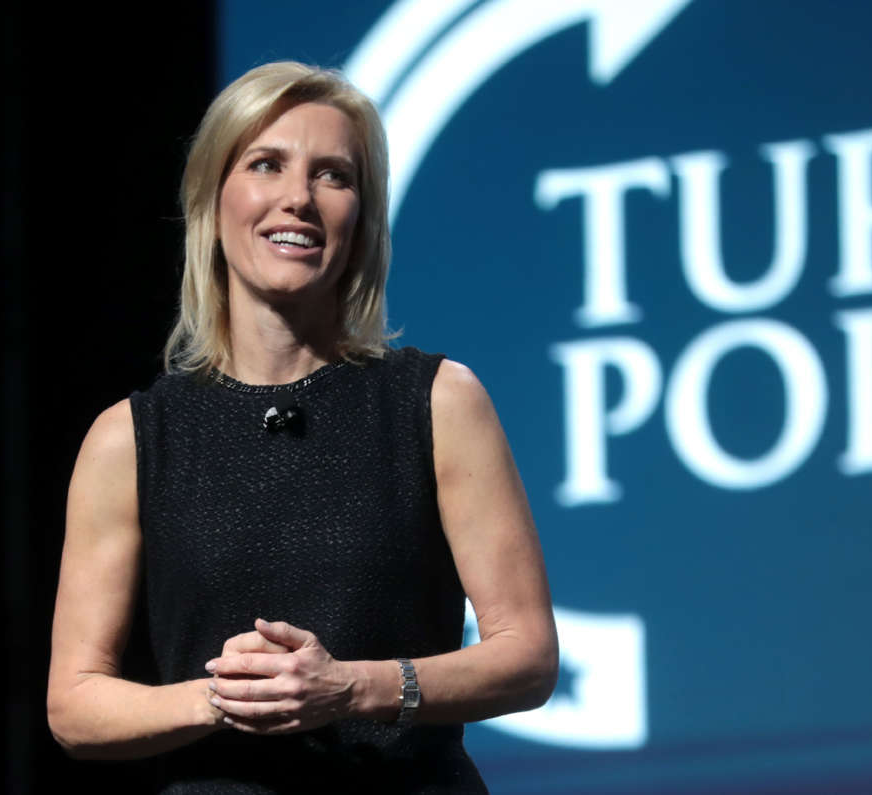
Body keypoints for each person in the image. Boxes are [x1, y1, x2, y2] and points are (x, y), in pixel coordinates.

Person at [47, 61, 558, 793]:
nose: (298, 198)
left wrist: (349, 687)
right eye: (266, 164)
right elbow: (74, 702)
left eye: (332, 176)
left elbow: (527, 655)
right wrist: (227, 697)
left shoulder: (439, 401)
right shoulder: (128, 440)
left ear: (361, 215)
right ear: (213, 199)